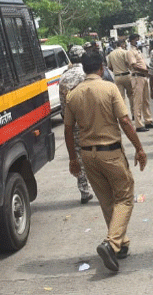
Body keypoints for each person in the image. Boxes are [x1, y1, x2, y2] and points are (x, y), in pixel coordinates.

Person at [64, 51, 148, 272]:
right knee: (125, 197)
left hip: (88, 155)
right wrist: (139, 148)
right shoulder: (109, 89)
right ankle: (111, 244)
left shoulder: (73, 95)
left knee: (107, 200)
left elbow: (67, 129)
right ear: (101, 68)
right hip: (110, 152)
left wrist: (73, 159)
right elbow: (125, 121)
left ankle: (121, 244)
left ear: (84, 69)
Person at [60, 45, 95, 204]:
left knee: (78, 156)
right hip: (89, 121)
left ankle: (84, 191)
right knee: (95, 153)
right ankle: (101, 188)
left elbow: (62, 105)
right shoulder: (86, 74)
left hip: (72, 123)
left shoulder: (63, 77)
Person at [127, 33, 153, 132]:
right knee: (138, 102)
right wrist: (146, 71)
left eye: (138, 39)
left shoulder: (138, 51)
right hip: (137, 77)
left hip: (143, 77)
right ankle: (139, 125)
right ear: (131, 41)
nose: (138, 41)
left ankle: (148, 121)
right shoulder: (130, 52)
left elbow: (143, 64)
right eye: (136, 39)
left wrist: (149, 69)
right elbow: (134, 65)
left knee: (146, 101)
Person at [107, 38, 133, 110]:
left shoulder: (111, 54)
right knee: (131, 95)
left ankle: (124, 113)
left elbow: (109, 66)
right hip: (126, 75)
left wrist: (115, 71)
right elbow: (128, 63)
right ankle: (133, 112)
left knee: (121, 97)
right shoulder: (125, 52)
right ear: (122, 44)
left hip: (117, 77)